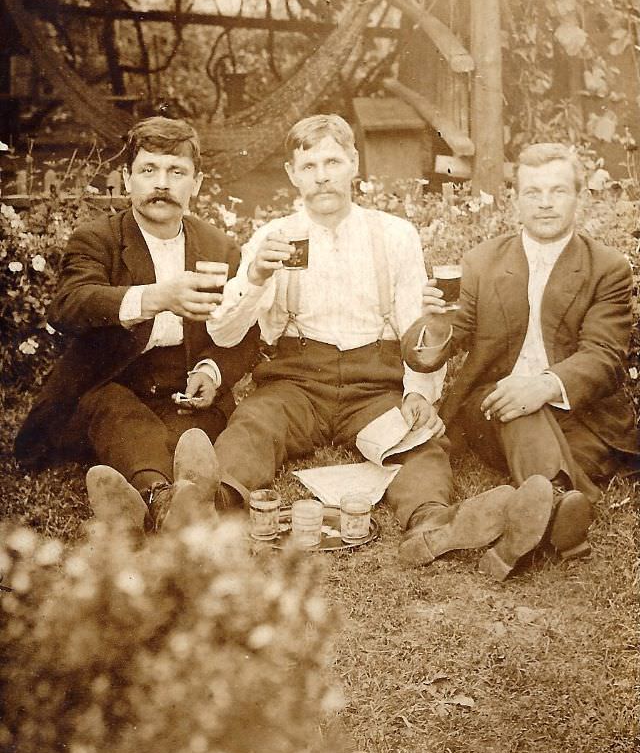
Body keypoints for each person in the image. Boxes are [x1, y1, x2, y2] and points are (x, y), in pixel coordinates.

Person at [205, 114, 562, 558]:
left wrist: (420, 393)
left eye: (332, 162)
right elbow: (222, 332)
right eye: (309, 166)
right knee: (254, 424)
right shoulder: (273, 237)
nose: (322, 177)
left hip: (373, 382)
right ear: (292, 175)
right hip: (295, 379)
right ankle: (214, 503)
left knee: (418, 442)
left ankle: (433, 525)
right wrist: (257, 275)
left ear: (354, 163)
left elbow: (418, 325)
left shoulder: (394, 235)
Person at [402, 142, 639, 580]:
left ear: (579, 197)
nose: (545, 203)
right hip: (492, 413)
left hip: (577, 415)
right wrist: (435, 325)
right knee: (513, 401)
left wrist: (545, 385)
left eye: (557, 191)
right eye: (533, 192)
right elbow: (437, 352)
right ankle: (562, 511)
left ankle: (526, 507)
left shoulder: (607, 268)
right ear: (515, 199)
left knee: (542, 418)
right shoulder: (481, 262)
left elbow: (604, 355)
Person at [14, 116, 258, 533]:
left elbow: (242, 332)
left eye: (176, 172)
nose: (161, 184)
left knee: (194, 437)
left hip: (182, 392)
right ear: (127, 179)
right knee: (118, 415)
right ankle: (163, 498)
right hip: (111, 384)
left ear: (195, 184)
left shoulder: (220, 247)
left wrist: (211, 372)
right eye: (149, 170)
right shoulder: (97, 239)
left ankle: (155, 504)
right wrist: (157, 296)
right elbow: (69, 304)